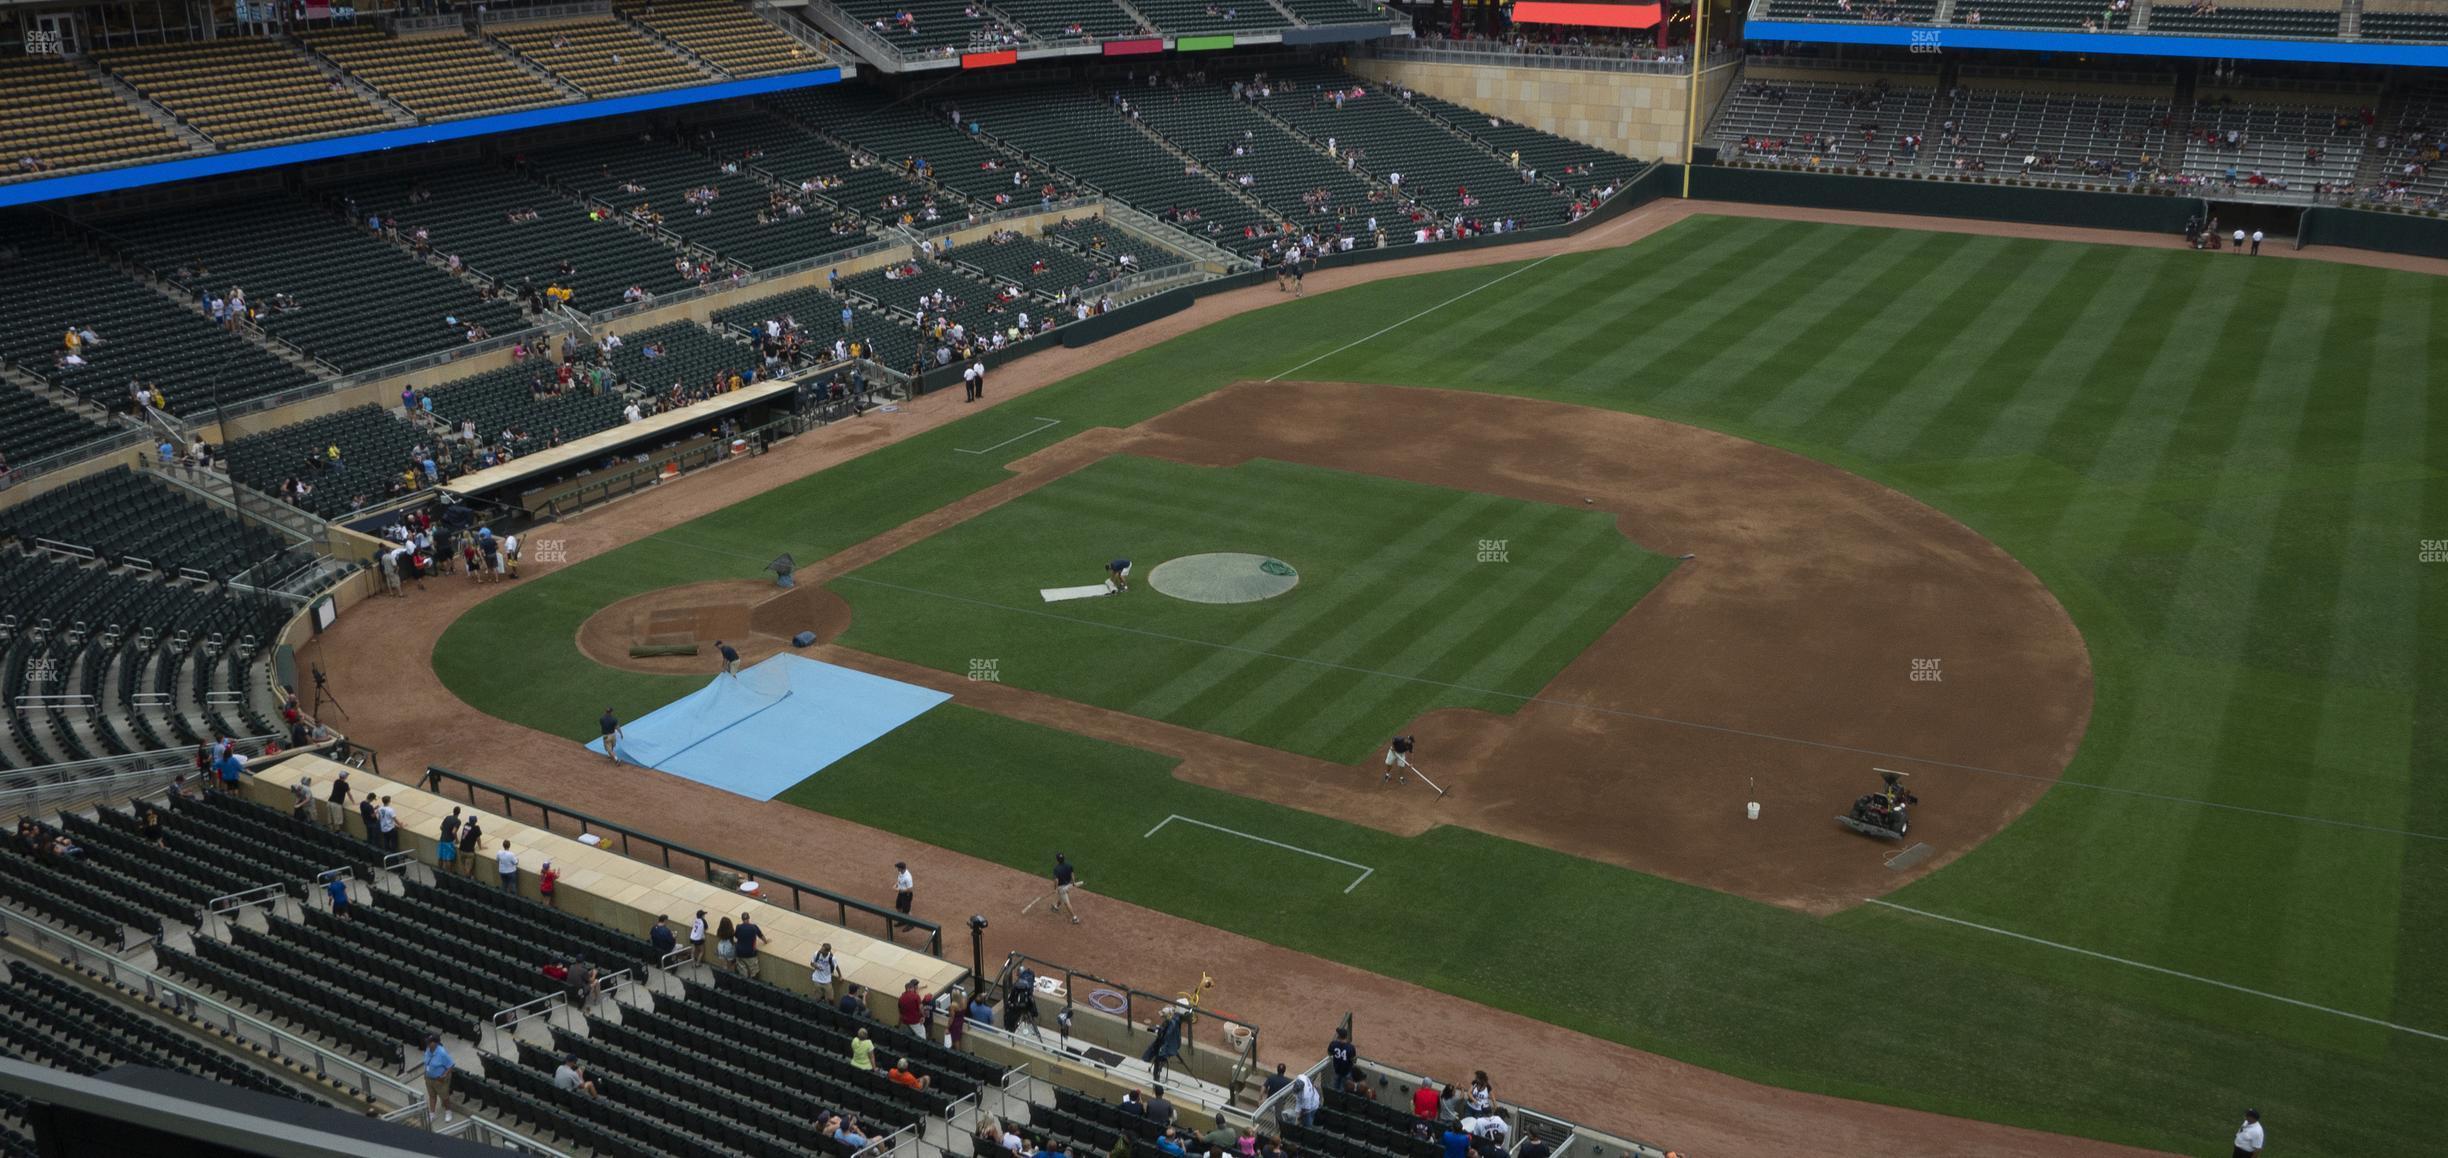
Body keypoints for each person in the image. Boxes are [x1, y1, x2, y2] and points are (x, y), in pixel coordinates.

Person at [422, 1033, 456, 1123]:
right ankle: (432, 1114)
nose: (428, 1044)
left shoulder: (442, 1053)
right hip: (429, 1078)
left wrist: (445, 1075)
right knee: (432, 1096)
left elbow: (451, 1065)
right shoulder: (428, 1050)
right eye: (428, 1042)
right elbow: (426, 1062)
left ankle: (448, 1111)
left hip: (439, 1079)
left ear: (435, 1043)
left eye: (430, 1042)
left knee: (444, 1097)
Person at [733, 910, 767, 978]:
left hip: (739, 953)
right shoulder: (753, 927)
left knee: (743, 973)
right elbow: (761, 936)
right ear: (749, 918)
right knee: (753, 972)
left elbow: (736, 936)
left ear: (742, 919)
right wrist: (766, 942)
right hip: (750, 954)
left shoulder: (738, 927)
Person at [1051, 853, 1081, 924]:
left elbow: (1056, 880)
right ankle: (1056, 907)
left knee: (1067, 903)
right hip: (1068, 886)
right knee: (1062, 897)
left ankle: (1075, 918)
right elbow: (1072, 874)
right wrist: (1073, 883)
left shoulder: (1056, 869)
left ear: (1057, 860)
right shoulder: (1069, 865)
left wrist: (1055, 889)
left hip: (1062, 888)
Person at [892, 861, 915, 935]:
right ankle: (902, 920)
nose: (897, 868)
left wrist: (899, 889)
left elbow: (910, 889)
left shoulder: (908, 877)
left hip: (907, 895)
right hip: (901, 893)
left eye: (898, 867)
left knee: (907, 911)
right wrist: (896, 884)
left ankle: (911, 924)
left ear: (901, 868)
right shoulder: (900, 872)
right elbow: (899, 880)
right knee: (898, 907)